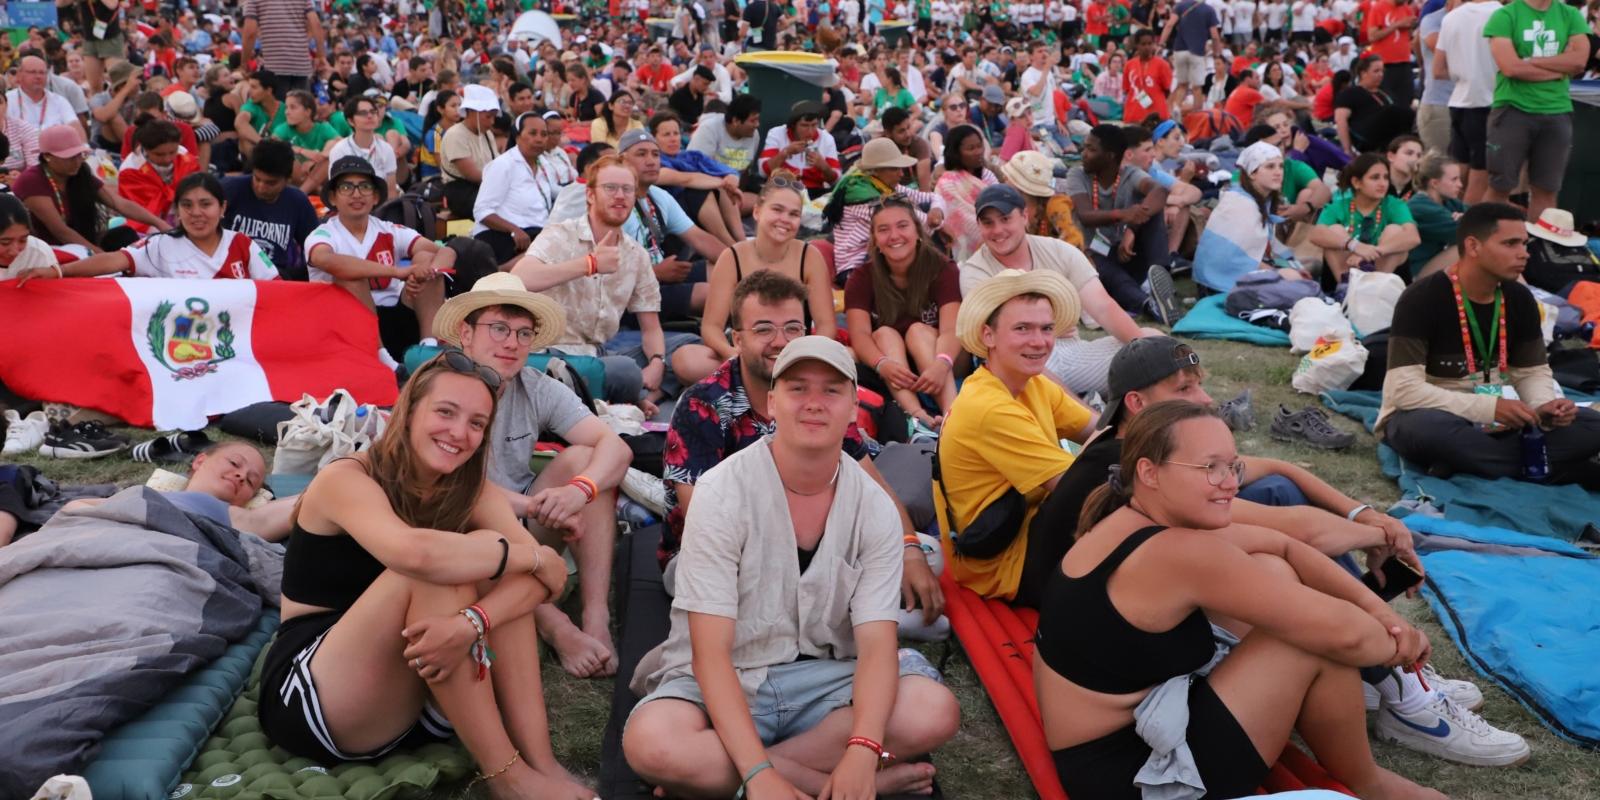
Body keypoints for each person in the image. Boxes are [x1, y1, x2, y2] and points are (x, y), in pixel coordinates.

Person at [1044, 336, 1531, 767]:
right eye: (1184, 389)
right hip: (1127, 746)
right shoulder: (1163, 515)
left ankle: (1388, 688)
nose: (1206, 398)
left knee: (1280, 553)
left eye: (1229, 465)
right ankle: (1400, 691)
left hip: (1126, 665)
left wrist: (1362, 514)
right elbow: (1302, 539)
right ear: (1137, 404)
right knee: (1308, 620)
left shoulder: (1141, 464)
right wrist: (1391, 623)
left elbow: (1278, 503)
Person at [1037, 400, 1449, 800]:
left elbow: (1285, 546)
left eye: (1232, 465)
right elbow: (1350, 638)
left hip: (1137, 721)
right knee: (1309, 639)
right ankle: (1370, 779)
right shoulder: (1178, 553)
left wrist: (1381, 613)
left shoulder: (1133, 518)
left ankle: (1368, 765)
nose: (1231, 481)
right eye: (1209, 468)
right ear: (1149, 472)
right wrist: (1399, 642)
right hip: (1135, 774)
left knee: (1275, 572)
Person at [623, 335, 961, 799]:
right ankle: (823, 781)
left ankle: (720, 776)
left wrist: (862, 750)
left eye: (831, 390)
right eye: (798, 388)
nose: (814, 404)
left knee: (933, 710)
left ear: (851, 411)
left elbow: (878, 645)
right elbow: (710, 654)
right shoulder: (722, 493)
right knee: (653, 744)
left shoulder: (874, 508)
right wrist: (762, 778)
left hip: (828, 679)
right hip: (733, 675)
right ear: (772, 403)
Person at [253, 353, 593, 800]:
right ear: (409, 411)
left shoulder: (470, 489)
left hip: (416, 687)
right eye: (446, 412)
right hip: (318, 693)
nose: (459, 433)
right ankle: (506, 779)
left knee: (484, 567)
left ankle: (541, 761)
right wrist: (529, 556)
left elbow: (541, 583)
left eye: (476, 423)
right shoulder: (346, 479)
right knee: (444, 569)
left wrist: (471, 622)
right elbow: (416, 554)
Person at [664, 271, 946, 622]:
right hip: (729, 554)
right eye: (764, 329)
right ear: (736, 339)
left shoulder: (815, 398)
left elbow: (873, 483)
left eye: (793, 329)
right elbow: (702, 519)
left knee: (928, 552)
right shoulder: (703, 404)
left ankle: (835, 614)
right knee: (711, 578)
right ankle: (847, 618)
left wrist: (909, 550)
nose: (781, 341)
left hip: (815, 543)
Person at [433, 273, 634, 679]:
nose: (512, 343)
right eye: (500, 329)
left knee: (584, 460)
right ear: (465, 333)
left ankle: (595, 614)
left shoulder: (534, 385)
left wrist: (579, 491)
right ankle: (556, 627)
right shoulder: (439, 388)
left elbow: (616, 446)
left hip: (526, 520)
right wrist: (537, 505)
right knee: (477, 533)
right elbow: (446, 484)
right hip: (458, 527)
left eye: (524, 334)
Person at [1379, 203, 1600, 487]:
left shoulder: (1519, 298)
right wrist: (1488, 408)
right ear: (1473, 246)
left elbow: (1530, 372)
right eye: (1510, 243)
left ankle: (1483, 464)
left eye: (1524, 243)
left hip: (1500, 423)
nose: (1524, 253)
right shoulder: (1420, 298)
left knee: (1592, 424)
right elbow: (1404, 391)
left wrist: (1545, 406)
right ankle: (1545, 468)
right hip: (1436, 416)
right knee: (1429, 430)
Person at [936, 269, 1095, 604]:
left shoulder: (1032, 383)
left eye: (1046, 328)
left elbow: (1097, 428)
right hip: (1006, 563)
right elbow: (1076, 488)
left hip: (1027, 527)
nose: (1039, 341)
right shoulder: (989, 406)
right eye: (1022, 328)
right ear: (988, 336)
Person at [513, 155, 694, 414]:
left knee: (689, 346)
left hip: (599, 355)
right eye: (610, 188)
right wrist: (589, 264)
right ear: (590, 195)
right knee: (625, 371)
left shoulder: (635, 254)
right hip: (551, 354)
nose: (619, 196)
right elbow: (521, 278)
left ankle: (628, 396)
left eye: (627, 189)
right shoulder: (561, 234)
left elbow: (651, 326)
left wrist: (656, 361)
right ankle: (626, 397)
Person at [963, 185, 1160, 397]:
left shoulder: (1059, 250)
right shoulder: (974, 271)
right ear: (979, 226)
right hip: (1016, 364)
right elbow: (996, 339)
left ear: (1024, 217)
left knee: (1152, 341)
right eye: (988, 223)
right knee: (1019, 369)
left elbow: (1103, 307)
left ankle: (1094, 402)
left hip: (1070, 352)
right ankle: (1084, 409)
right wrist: (1050, 326)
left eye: (1005, 219)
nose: (998, 230)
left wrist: (1147, 354)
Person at [8, 441, 296, 548]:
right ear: (199, 461)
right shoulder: (138, 495)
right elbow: (73, 513)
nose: (240, 475)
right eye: (234, 463)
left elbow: (307, 501)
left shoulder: (232, 515)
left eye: (250, 481)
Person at [307, 156, 455, 364]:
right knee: (350, 277)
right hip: (344, 326)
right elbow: (324, 259)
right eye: (346, 187)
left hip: (395, 317)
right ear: (333, 197)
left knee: (426, 258)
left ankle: (427, 350)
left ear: (375, 197)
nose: (356, 194)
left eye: (365, 187)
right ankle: (384, 361)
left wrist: (426, 270)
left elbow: (447, 252)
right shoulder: (322, 235)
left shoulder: (388, 229)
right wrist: (397, 272)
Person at [14, 172, 277, 282]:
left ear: (222, 209)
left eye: (205, 204)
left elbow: (276, 290)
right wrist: (57, 272)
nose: (196, 213)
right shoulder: (160, 245)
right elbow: (115, 260)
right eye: (187, 205)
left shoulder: (242, 244)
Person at [845, 196, 961, 430]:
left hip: (941, 357)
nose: (894, 236)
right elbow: (860, 335)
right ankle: (918, 417)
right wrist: (881, 364)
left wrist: (942, 364)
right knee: (884, 333)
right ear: (875, 240)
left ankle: (955, 415)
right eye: (884, 230)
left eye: (902, 226)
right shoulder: (861, 277)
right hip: (895, 365)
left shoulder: (942, 268)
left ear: (918, 231)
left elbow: (952, 329)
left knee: (917, 331)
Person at [701, 172, 835, 358]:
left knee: (847, 357)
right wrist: (732, 355)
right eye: (777, 210)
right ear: (757, 212)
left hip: (793, 352)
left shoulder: (809, 256)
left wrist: (807, 357)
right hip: (745, 352)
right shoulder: (732, 257)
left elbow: (826, 324)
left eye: (794, 214)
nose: (785, 219)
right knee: (689, 359)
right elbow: (711, 326)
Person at [1484, 0, 1590, 222]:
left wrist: (1531, 61)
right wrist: (1559, 70)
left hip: (1557, 110)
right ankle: (1487, 247)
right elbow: (1511, 67)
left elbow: (1579, 61)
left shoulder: (1570, 15)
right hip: (1512, 108)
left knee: (1547, 190)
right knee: (1500, 186)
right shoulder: (1505, 15)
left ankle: (1539, 249)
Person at [1065, 124, 1178, 323]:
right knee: (1097, 263)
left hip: (1125, 253)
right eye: (1085, 148)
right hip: (1093, 258)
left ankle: (1160, 286)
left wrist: (1132, 229)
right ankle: (1148, 304)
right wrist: (1123, 215)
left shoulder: (1130, 174)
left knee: (1153, 212)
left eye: (1091, 150)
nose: (1084, 154)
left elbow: (1160, 191)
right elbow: (1085, 215)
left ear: (1110, 156)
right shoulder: (1078, 175)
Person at [15, 124, 170, 252]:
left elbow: (118, 203)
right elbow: (60, 231)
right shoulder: (32, 181)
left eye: (79, 155)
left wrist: (159, 223)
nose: (77, 161)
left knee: (125, 235)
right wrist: (100, 255)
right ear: (48, 157)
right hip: (46, 250)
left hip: (81, 243)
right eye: (69, 157)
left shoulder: (81, 174)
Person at [827, 138, 947, 280]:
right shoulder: (862, 199)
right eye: (895, 168)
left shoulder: (884, 185)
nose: (901, 174)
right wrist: (938, 222)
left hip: (878, 252)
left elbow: (932, 197)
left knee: (924, 211)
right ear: (876, 172)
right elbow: (922, 225)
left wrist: (937, 210)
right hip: (856, 267)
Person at [1195, 142, 1302, 293]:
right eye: (1270, 166)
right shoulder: (1241, 204)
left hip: (1229, 276)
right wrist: (1278, 273)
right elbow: (1238, 258)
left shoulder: (1260, 199)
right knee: (1294, 279)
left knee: (1301, 270)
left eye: (1280, 166)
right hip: (1219, 282)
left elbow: (1263, 245)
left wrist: (1292, 262)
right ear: (1252, 173)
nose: (1278, 172)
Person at [1310, 153, 1421, 281]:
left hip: (1384, 274)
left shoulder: (1394, 204)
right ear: (1357, 182)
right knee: (1334, 230)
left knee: (1395, 231)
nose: (1383, 183)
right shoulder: (1339, 206)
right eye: (1375, 178)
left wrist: (1374, 252)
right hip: (1345, 270)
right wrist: (1354, 246)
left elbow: (1413, 237)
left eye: (1385, 178)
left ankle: (1375, 286)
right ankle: (1345, 287)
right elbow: (1315, 234)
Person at [223, 138, 319, 282]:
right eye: (257, 179)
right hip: (231, 274)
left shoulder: (297, 201)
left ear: (287, 180)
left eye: (270, 183)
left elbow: (315, 248)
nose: (261, 187)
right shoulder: (230, 190)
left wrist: (291, 276)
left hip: (275, 279)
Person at [474, 113, 557, 270]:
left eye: (544, 134)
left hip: (535, 235)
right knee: (550, 252)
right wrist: (514, 230)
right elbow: (482, 211)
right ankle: (501, 273)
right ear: (517, 136)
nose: (539, 139)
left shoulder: (544, 165)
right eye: (532, 133)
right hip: (504, 237)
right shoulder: (503, 165)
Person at [651, 112, 745, 248]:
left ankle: (741, 240)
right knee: (700, 192)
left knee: (724, 188)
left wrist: (731, 179)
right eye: (666, 135)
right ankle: (730, 245)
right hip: (678, 215)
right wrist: (722, 182)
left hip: (707, 212)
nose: (673, 139)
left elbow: (730, 172)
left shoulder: (693, 156)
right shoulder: (654, 162)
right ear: (654, 139)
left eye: (676, 133)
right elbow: (686, 179)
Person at [1436, 0, 1497, 205]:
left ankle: (1451, 220)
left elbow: (1438, 69)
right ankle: (1467, 227)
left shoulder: (1451, 17)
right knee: (1481, 175)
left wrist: (1465, 75)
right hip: (1487, 101)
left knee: (1459, 171)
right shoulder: (1502, 14)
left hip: (1459, 101)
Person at [118, 120, 203, 234]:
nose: (167, 159)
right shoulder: (130, 170)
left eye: (173, 152)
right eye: (159, 154)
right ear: (145, 149)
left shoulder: (185, 157)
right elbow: (139, 213)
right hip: (149, 224)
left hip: (184, 215)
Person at [936, 124, 1000, 262]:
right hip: (971, 253)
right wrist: (994, 230)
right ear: (956, 153)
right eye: (971, 148)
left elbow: (1001, 202)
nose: (978, 152)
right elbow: (963, 221)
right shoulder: (947, 184)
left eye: (979, 146)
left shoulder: (987, 174)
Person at [440, 85, 502, 222]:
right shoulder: (455, 135)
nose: (492, 122)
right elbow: (473, 175)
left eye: (493, 117)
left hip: (487, 187)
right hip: (462, 192)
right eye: (488, 117)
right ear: (474, 112)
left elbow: (498, 163)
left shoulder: (487, 134)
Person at [1002, 150, 1085, 251]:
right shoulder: (1010, 205)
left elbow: (1075, 242)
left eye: (1007, 178)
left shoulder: (1055, 205)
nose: (1004, 179)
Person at [240, 0, 326, 95]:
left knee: (279, 108)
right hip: (300, 64)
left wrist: (244, 62)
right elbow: (316, 24)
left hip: (275, 65)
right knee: (300, 106)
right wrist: (320, 55)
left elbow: (250, 33)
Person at [1334, 55, 1414, 155]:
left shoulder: (1384, 92)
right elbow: (1341, 120)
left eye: (1382, 71)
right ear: (1363, 73)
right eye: (1376, 71)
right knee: (1393, 111)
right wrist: (1347, 149)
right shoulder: (1350, 93)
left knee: (1407, 111)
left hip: (1388, 135)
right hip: (1365, 135)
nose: (1381, 75)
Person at [326, 94, 401, 199]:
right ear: (350, 121)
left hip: (381, 207)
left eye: (373, 112)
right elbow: (337, 189)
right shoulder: (340, 150)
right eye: (363, 113)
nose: (370, 116)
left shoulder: (386, 149)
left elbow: (391, 191)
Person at [1406, 153, 1468, 279]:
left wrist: (1465, 217)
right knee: (1468, 246)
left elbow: (1479, 214)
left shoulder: (1449, 201)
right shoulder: (1419, 206)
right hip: (1421, 274)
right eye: (1454, 179)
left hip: (1441, 263)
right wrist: (1466, 219)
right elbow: (1466, 231)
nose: (1460, 185)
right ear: (1434, 183)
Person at [271, 90, 338, 194]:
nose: (287, 112)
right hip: (293, 178)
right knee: (287, 156)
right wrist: (300, 150)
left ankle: (306, 192)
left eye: (293, 107)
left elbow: (342, 143)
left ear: (308, 112)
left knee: (332, 145)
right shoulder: (284, 128)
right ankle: (309, 192)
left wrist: (320, 157)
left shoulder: (322, 127)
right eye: (286, 107)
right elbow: (271, 144)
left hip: (316, 174)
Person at [1164, 0, 1225, 113]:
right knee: (1197, 87)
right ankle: (1197, 115)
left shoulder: (1180, 6)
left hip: (1179, 50)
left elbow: (1169, 25)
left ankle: (1176, 109)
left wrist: (1161, 43)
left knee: (1182, 85)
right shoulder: (1208, 10)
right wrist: (1217, 53)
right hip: (1196, 52)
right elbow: (1215, 36)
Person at [7, 55, 84, 139]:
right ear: (19, 75)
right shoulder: (7, 100)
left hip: (55, 150)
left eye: (42, 73)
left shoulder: (59, 101)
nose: (38, 77)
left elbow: (76, 130)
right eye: (32, 72)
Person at [687, 92, 761, 177]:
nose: (757, 124)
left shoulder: (754, 135)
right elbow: (695, 170)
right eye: (753, 121)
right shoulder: (709, 130)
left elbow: (746, 171)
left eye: (758, 119)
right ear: (736, 121)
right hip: (705, 184)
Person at [1367, 0, 1419, 107]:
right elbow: (1372, 36)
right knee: (1386, 102)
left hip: (1404, 62)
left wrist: (1411, 26)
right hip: (1385, 64)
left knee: (1406, 101)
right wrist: (1397, 24)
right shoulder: (1378, 8)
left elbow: (1409, 34)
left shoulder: (1406, 9)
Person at [1122, 30, 1174, 125]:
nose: (1147, 47)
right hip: (1134, 114)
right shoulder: (1129, 65)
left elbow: (1168, 90)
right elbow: (1126, 89)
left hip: (1157, 114)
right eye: (1143, 44)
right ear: (1137, 45)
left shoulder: (1163, 65)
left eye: (1150, 44)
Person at [880, 106, 935, 190]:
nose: (908, 134)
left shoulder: (919, 144)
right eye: (901, 131)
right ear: (888, 133)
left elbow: (925, 189)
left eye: (909, 127)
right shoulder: (879, 147)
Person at [236, 70, 288, 159]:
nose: (249, 91)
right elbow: (240, 122)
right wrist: (264, 144)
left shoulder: (286, 110)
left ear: (268, 90)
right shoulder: (252, 104)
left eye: (254, 87)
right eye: (249, 86)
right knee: (243, 137)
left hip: (281, 153)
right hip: (258, 151)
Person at [418, 89, 460, 180]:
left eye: (459, 105)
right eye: (453, 106)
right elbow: (442, 167)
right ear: (440, 109)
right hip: (434, 178)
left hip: (453, 173)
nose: (458, 109)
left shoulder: (459, 129)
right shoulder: (435, 134)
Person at [1385, 134, 1424, 199]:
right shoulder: (1376, 183)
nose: (1414, 159)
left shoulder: (1420, 191)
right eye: (1409, 153)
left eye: (1419, 156)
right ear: (1391, 156)